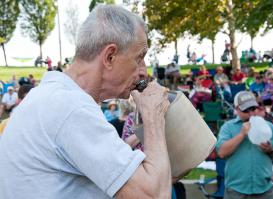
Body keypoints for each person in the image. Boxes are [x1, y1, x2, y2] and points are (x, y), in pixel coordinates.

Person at [0, 5, 172, 199]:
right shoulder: (71, 108)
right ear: (109, 56)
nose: (143, 71)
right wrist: (153, 117)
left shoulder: (47, 97)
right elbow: (156, 195)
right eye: (139, 57)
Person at [216, 91, 273, 199]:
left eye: (253, 109)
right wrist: (242, 134)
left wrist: (271, 150)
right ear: (237, 109)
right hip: (236, 190)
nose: (251, 113)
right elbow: (222, 152)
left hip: (264, 189)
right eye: (246, 110)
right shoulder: (228, 127)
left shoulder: (269, 127)